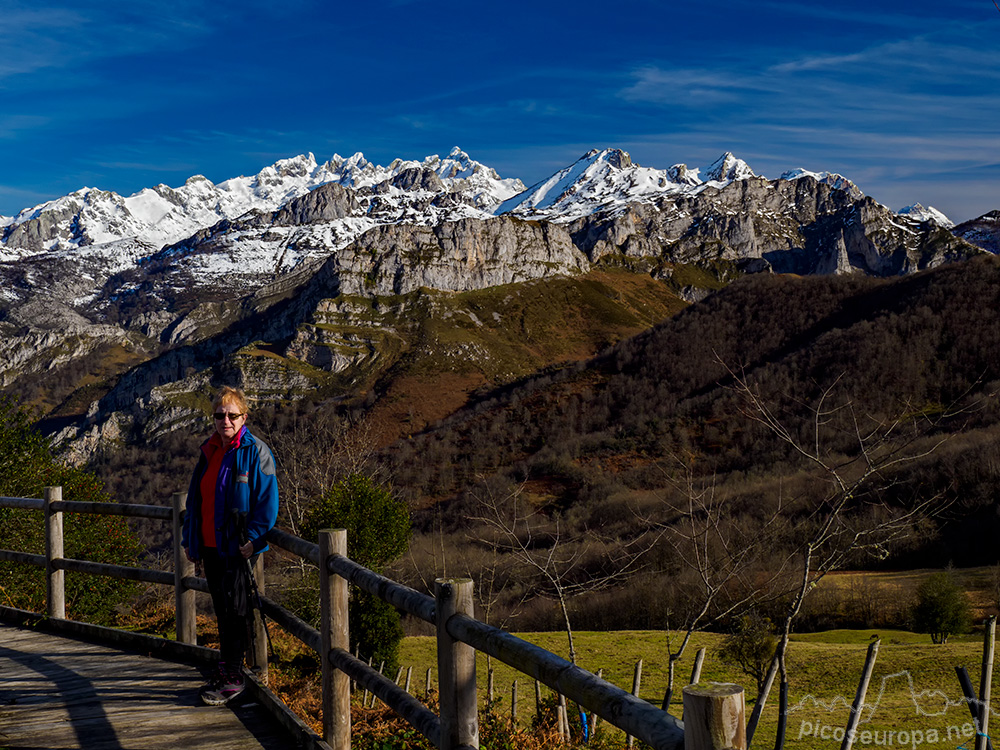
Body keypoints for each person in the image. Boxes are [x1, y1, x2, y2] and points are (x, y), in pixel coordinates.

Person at [181, 386, 279, 706]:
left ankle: (234, 678)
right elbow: (197, 501)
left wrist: (253, 538)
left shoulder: (256, 451)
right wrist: (190, 540)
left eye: (232, 415)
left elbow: (267, 504)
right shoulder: (209, 450)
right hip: (210, 545)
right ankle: (227, 669)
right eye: (220, 415)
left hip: (237, 547)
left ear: (244, 417)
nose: (225, 420)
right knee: (222, 611)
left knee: (236, 610)